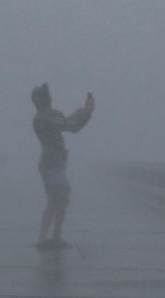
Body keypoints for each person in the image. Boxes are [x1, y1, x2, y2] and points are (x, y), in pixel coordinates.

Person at [30, 82, 95, 248]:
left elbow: (64, 121)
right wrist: (87, 112)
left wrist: (82, 110)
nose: (52, 97)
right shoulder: (45, 117)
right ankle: (53, 237)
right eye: (49, 95)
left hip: (49, 162)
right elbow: (71, 126)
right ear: (44, 100)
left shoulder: (42, 117)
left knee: (53, 199)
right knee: (62, 197)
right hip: (53, 163)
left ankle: (43, 237)